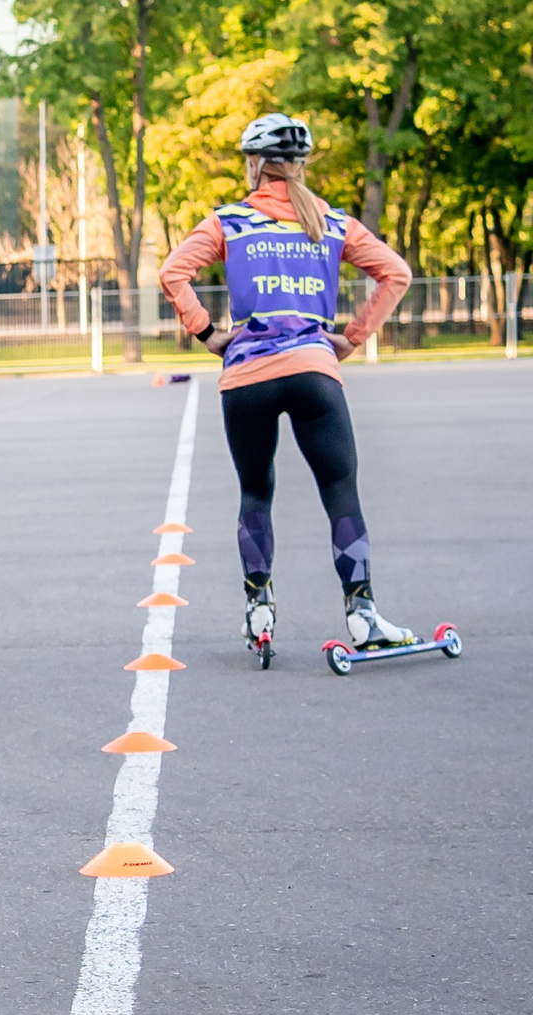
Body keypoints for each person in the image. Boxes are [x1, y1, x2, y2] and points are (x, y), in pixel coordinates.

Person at [158, 114, 415, 653]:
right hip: (314, 372)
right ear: (301, 166)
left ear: (255, 164)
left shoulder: (229, 221)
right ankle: (363, 613)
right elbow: (397, 273)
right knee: (340, 489)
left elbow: (173, 273)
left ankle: (259, 609)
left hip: (246, 376)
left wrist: (207, 332)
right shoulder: (332, 222)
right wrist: (351, 336)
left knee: (256, 491)